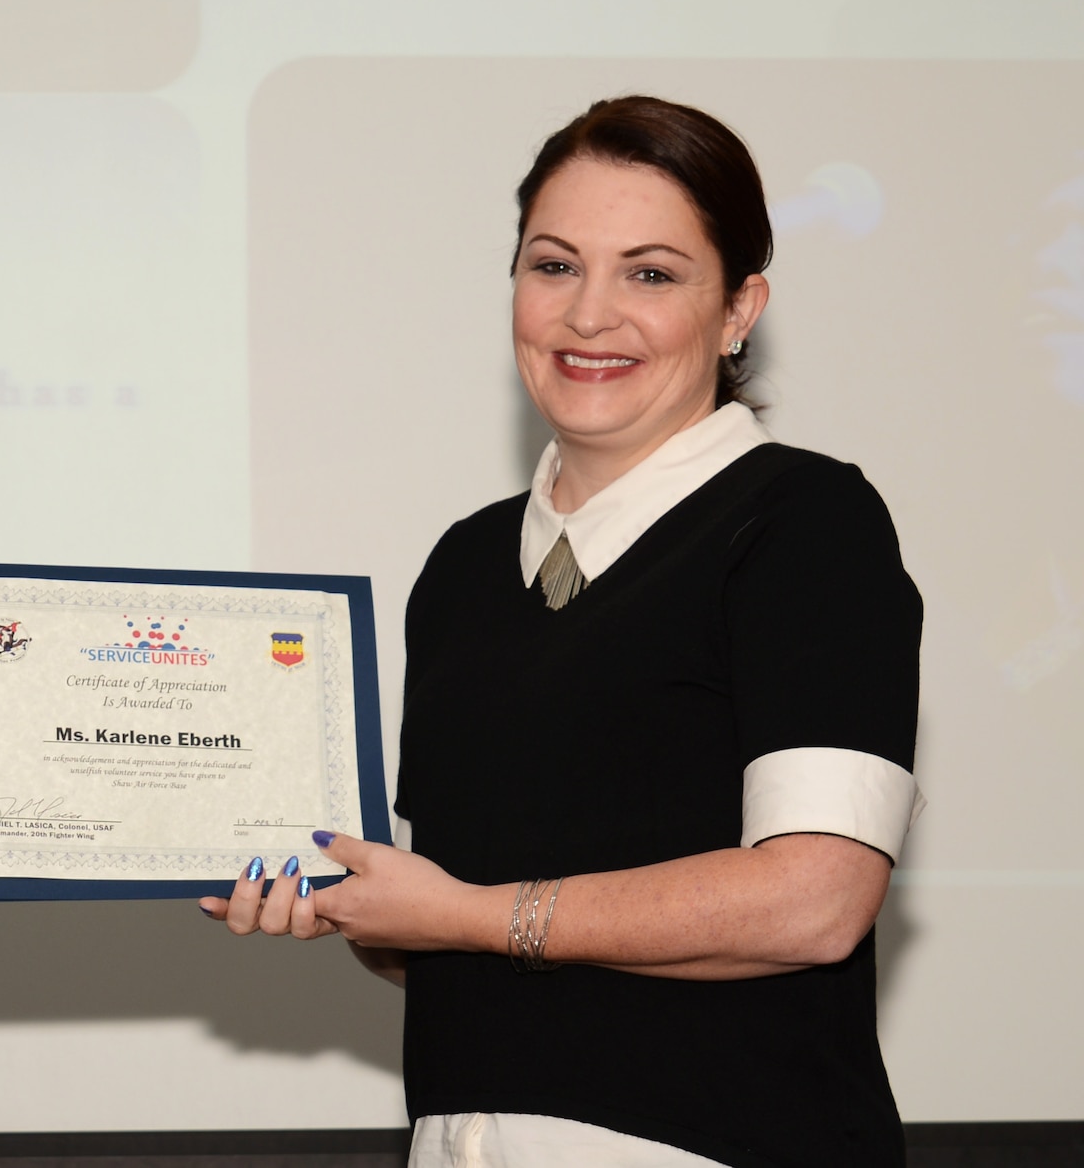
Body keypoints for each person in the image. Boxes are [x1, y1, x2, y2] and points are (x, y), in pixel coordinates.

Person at [204, 96, 922, 1167]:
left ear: (737, 310)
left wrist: (476, 915)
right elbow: (446, 927)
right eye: (552, 266)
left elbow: (814, 897)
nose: (589, 314)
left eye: (650, 273)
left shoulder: (803, 522)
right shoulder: (461, 565)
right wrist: (358, 904)